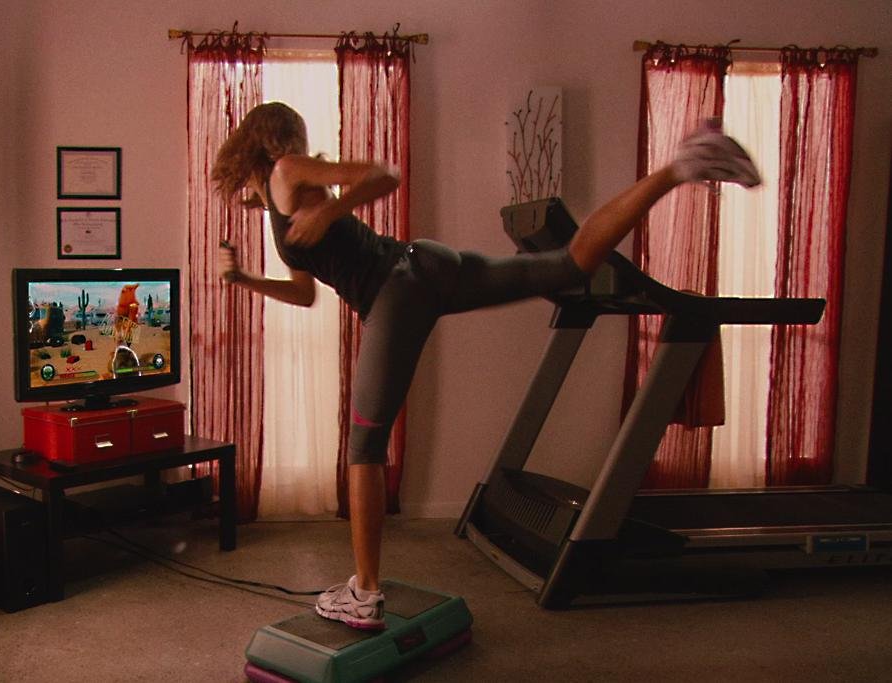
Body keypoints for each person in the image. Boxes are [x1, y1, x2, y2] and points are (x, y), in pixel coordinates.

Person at [212, 102, 759, 631]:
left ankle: (365, 592)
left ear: (254, 144)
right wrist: (244, 280)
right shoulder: (278, 199)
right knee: (569, 264)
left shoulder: (286, 171)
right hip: (424, 268)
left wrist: (331, 210)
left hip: (395, 291)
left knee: (364, 448)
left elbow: (384, 173)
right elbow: (304, 294)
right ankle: (680, 167)